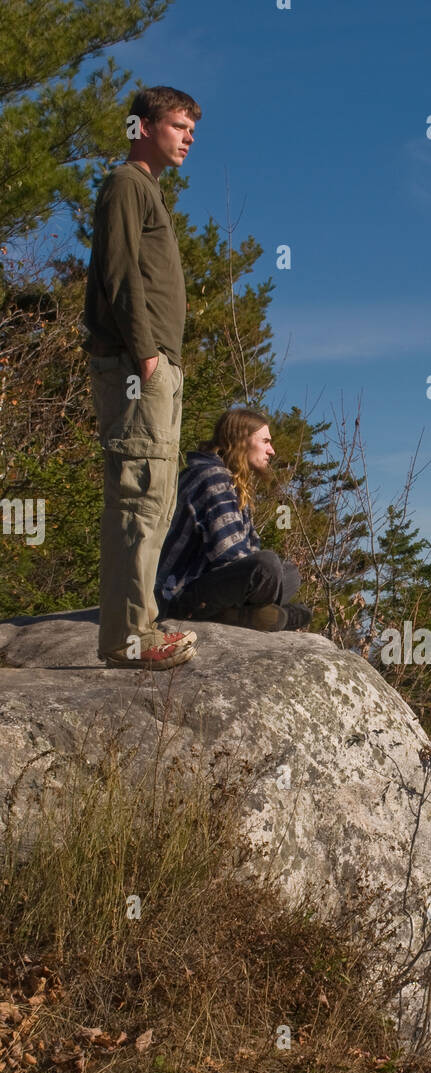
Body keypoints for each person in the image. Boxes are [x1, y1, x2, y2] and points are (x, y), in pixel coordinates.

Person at [83, 85, 202, 670]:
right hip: (139, 364)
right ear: (144, 127)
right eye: (179, 125)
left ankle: (138, 626)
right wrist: (146, 350)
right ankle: (131, 636)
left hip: (154, 365)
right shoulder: (127, 184)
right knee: (140, 493)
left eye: (191, 130)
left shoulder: (146, 189)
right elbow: (118, 267)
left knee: (155, 493)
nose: (188, 138)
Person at [155, 407, 312, 632]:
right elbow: (228, 555)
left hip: (205, 586)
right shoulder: (213, 478)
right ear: (241, 440)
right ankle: (248, 615)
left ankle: (242, 614)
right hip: (178, 595)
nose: (272, 451)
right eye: (265, 441)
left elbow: (246, 551)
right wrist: (261, 575)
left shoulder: (229, 480)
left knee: (290, 574)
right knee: (266, 567)